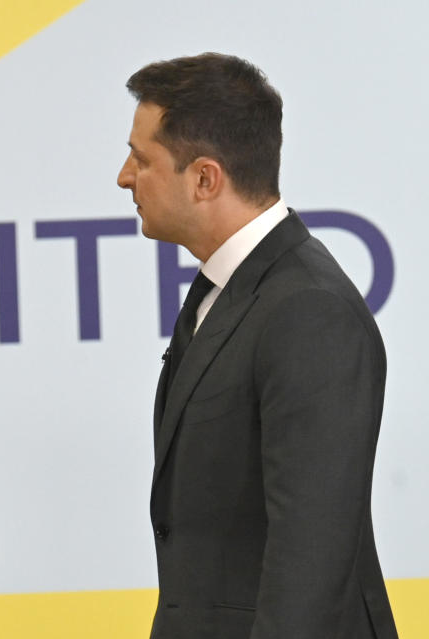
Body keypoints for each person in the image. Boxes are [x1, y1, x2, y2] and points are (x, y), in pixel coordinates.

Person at [116, 53, 397, 639]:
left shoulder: (307, 310)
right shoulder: (224, 288)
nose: (124, 176)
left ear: (204, 179)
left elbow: (311, 555)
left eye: (142, 159)